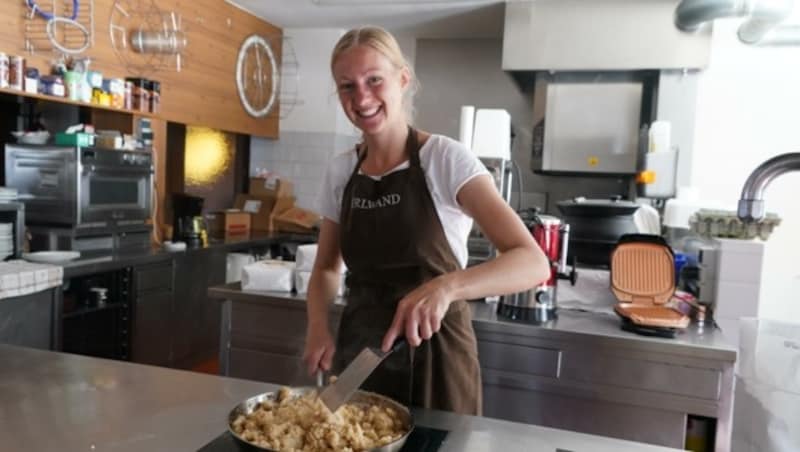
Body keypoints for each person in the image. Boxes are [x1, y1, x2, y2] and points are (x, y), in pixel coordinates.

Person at [303, 26, 550, 416]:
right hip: (363, 354)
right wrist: (318, 326)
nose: (361, 97)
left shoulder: (446, 160)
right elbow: (326, 267)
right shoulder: (340, 172)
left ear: (402, 80)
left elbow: (532, 262)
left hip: (438, 359)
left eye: (374, 80)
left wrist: (447, 287)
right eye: (347, 86)